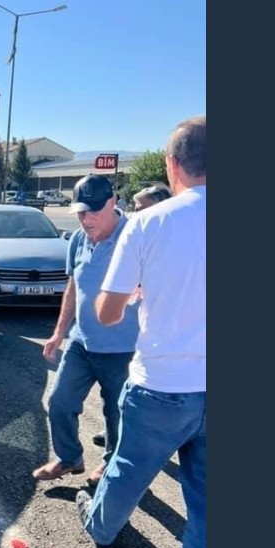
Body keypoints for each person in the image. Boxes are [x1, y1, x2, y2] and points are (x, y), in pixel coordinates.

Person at [78, 115, 206, 548]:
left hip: (160, 385)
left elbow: (108, 311)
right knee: (206, 511)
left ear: (173, 165)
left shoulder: (150, 223)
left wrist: (134, 293)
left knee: (128, 470)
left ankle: (100, 528)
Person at [31, 174, 140, 489]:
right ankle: (69, 458)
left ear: (113, 202)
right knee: (60, 402)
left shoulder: (134, 236)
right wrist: (58, 332)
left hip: (125, 350)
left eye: (94, 211)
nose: (87, 219)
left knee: (117, 415)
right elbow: (74, 287)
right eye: (81, 212)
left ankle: (109, 467)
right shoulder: (78, 239)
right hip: (82, 343)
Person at [90, 182, 175, 447]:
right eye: (135, 209)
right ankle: (117, 433)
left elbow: (108, 310)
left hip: (154, 342)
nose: (135, 215)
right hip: (137, 337)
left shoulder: (161, 242)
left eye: (141, 209)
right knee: (120, 394)